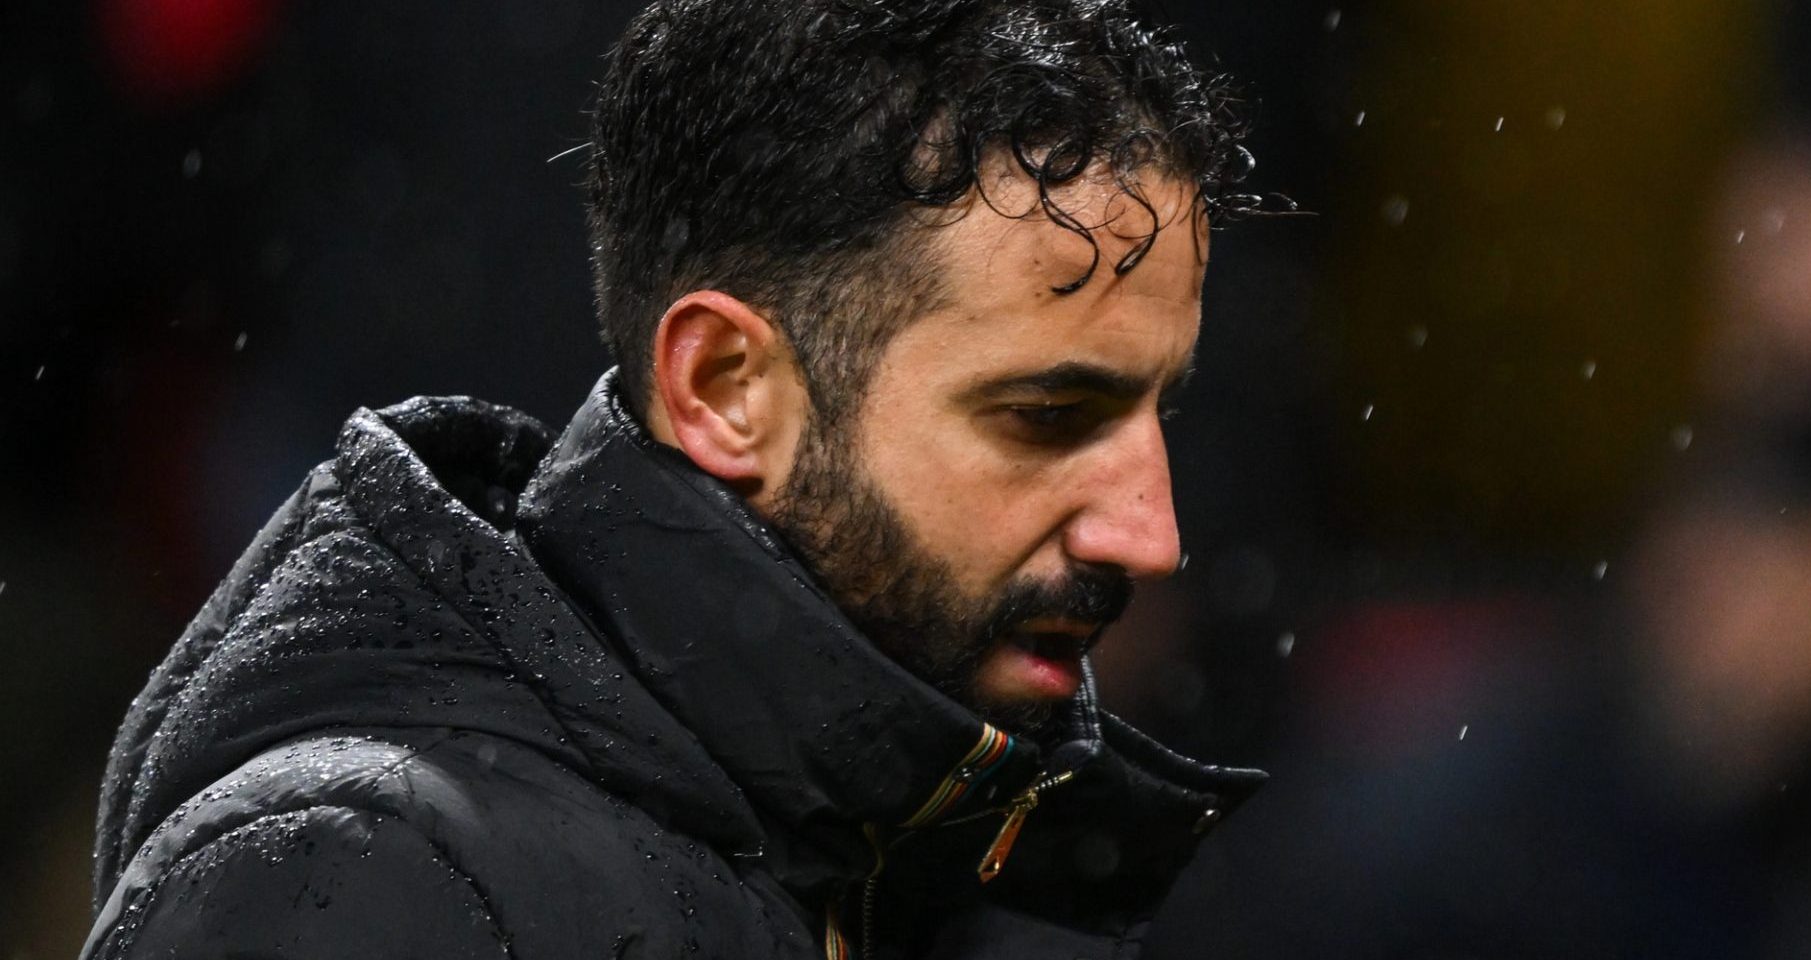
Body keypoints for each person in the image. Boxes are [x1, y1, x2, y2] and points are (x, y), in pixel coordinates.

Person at [81, 1, 1266, 957]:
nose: (1150, 534)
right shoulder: (373, 882)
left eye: (1160, 411)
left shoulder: (937, 866)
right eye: (1049, 414)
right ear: (725, 389)